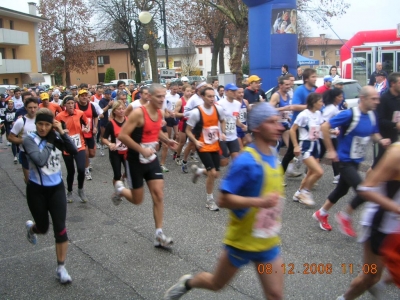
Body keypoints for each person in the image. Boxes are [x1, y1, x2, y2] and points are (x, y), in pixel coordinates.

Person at [164, 102, 285, 300]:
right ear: (257, 127)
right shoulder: (247, 161)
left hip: (268, 241)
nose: (279, 126)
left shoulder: (272, 155)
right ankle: (188, 282)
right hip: (241, 242)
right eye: (272, 122)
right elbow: (223, 199)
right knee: (216, 283)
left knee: (275, 295)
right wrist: (260, 202)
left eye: (278, 121)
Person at [312, 86, 390, 233]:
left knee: (341, 190)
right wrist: (331, 150)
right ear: (363, 99)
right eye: (374, 99)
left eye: (377, 98)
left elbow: (373, 133)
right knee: (364, 190)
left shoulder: (372, 116)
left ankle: (321, 213)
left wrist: (381, 141)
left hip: (356, 161)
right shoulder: (349, 114)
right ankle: (345, 215)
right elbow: (324, 127)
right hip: (344, 160)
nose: (377, 101)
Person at [112, 84, 177, 247]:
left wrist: (167, 140)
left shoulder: (160, 113)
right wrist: (141, 149)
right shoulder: (138, 114)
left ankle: (159, 234)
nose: (162, 100)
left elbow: (155, 132)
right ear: (150, 97)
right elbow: (122, 135)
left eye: (164, 96)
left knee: (159, 195)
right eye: (159, 97)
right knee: (137, 200)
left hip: (151, 159)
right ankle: (120, 189)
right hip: (135, 160)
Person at [336, 142, 400, 300]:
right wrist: (396, 208)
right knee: (370, 277)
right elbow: (366, 188)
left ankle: (382, 284)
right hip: (383, 224)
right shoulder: (397, 153)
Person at [23, 108, 77, 284]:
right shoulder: (29, 139)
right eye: (40, 124)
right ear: (36, 124)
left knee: (60, 229)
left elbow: (73, 150)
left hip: (56, 189)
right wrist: (50, 142)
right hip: (37, 190)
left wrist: (61, 132)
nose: (43, 128)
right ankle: (32, 229)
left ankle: (61, 267)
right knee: (44, 227)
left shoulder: (55, 136)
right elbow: (39, 160)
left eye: (47, 124)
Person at [185, 87, 226, 211]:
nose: (212, 99)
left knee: (216, 174)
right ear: (202, 97)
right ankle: (210, 200)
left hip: (215, 144)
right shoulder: (196, 113)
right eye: (209, 96)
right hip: (202, 146)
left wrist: (222, 132)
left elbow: (223, 121)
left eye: (213, 96)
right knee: (212, 173)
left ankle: (198, 171)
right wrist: (196, 141)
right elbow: (187, 130)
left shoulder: (218, 109)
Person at [280, 68, 317, 177]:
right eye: (313, 77)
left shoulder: (314, 90)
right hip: (297, 126)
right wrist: (310, 107)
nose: (315, 79)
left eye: (315, 76)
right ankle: (279, 176)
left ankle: (308, 175)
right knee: (291, 152)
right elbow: (294, 106)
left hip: (309, 127)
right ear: (306, 79)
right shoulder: (300, 90)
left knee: (312, 150)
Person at [290, 93, 324, 206]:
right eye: (320, 101)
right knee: (319, 172)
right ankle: (305, 192)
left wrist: (333, 131)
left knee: (310, 173)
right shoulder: (303, 115)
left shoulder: (318, 113)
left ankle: (298, 193)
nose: (322, 103)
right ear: (314, 102)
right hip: (306, 146)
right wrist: (295, 145)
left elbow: (321, 127)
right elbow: (292, 130)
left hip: (316, 145)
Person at [55, 96, 89, 203]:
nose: (70, 105)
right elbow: (55, 130)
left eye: (72, 103)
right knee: (71, 171)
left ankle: (80, 189)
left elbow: (87, 124)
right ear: (64, 105)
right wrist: (61, 131)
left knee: (81, 169)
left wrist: (86, 128)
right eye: (68, 103)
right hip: (67, 147)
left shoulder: (80, 113)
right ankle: (69, 191)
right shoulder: (60, 116)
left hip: (80, 145)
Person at [8, 97, 39, 183]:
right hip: (26, 154)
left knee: (41, 179)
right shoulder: (21, 121)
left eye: (35, 107)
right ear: (25, 108)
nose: (33, 110)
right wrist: (24, 141)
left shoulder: (41, 119)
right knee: (29, 180)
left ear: (38, 107)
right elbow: (10, 137)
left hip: (40, 153)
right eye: (30, 107)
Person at [102, 101, 127, 206]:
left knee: (129, 172)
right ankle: (117, 192)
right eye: (119, 109)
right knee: (117, 174)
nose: (121, 111)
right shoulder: (111, 123)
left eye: (123, 108)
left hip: (127, 152)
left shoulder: (129, 121)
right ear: (114, 111)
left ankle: (123, 178)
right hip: (115, 152)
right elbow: (103, 138)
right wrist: (109, 144)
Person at [373, 72, 400, 168]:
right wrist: (395, 125)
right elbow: (379, 120)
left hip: (395, 137)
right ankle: (366, 183)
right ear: (393, 84)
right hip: (384, 138)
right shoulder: (384, 99)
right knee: (377, 166)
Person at [319, 88, 343, 184]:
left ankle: (337, 175)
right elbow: (323, 123)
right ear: (335, 98)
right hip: (325, 136)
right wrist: (333, 131)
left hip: (330, 136)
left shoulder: (333, 107)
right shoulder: (331, 108)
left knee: (333, 155)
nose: (342, 98)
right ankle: (309, 172)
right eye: (340, 96)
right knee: (321, 156)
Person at [75, 89, 98, 180]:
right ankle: (86, 171)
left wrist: (95, 127)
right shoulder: (76, 106)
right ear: (79, 97)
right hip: (80, 133)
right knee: (86, 153)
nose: (84, 97)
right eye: (82, 96)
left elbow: (95, 117)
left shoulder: (91, 105)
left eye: (86, 95)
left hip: (90, 132)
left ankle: (86, 161)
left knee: (92, 154)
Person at [269, 75, 292, 150]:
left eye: (289, 84)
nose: (289, 86)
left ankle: (288, 159)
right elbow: (269, 109)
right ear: (280, 85)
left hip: (285, 123)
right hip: (276, 125)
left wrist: (288, 117)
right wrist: (283, 108)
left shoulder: (287, 95)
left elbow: (286, 111)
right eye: (286, 85)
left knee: (290, 145)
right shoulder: (276, 95)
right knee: (277, 145)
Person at [174, 84, 192, 165]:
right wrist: (185, 114)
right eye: (187, 91)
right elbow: (176, 113)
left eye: (190, 91)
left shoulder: (192, 100)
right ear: (183, 91)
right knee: (182, 142)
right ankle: (177, 156)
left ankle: (186, 157)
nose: (189, 93)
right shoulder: (180, 101)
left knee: (192, 142)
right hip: (183, 122)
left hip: (191, 123)